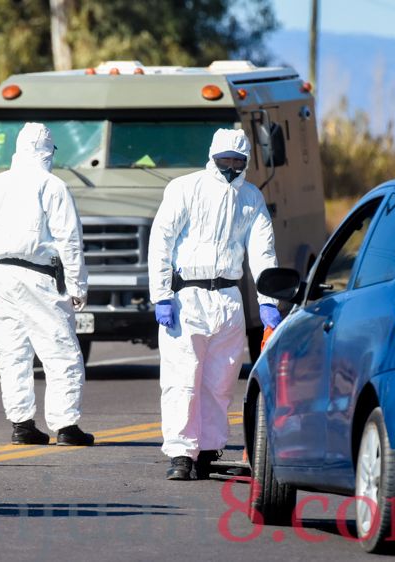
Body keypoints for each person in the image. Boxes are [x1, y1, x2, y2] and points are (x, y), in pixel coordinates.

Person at [148, 128, 281, 481]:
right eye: (225, 161)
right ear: (212, 157)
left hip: (228, 299)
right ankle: (180, 452)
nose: (231, 168)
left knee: (220, 380)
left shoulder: (251, 198)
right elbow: (161, 240)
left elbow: (263, 252)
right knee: (182, 378)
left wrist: (267, 300)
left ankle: (208, 449)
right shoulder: (185, 189)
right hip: (187, 297)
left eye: (238, 162)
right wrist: (161, 294)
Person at [0, 122, 94, 447]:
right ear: (47, 151)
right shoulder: (52, 186)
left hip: (3, 277)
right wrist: (78, 285)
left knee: (13, 354)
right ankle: (66, 425)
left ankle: (21, 423)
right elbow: (69, 240)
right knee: (61, 351)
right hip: (40, 277)